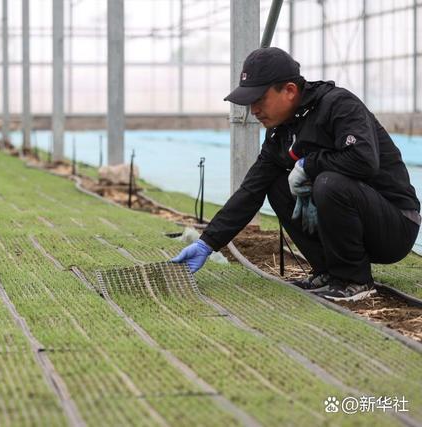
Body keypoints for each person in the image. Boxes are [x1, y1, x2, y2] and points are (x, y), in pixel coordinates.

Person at [172, 47, 420, 302]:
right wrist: (208, 242)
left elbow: (364, 161)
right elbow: (251, 190)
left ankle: (354, 280)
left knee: (328, 183)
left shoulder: (338, 105)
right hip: (352, 225)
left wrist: (307, 165)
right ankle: (327, 271)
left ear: (289, 90)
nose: (253, 110)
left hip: (395, 225)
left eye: (259, 99)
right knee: (276, 185)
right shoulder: (280, 132)